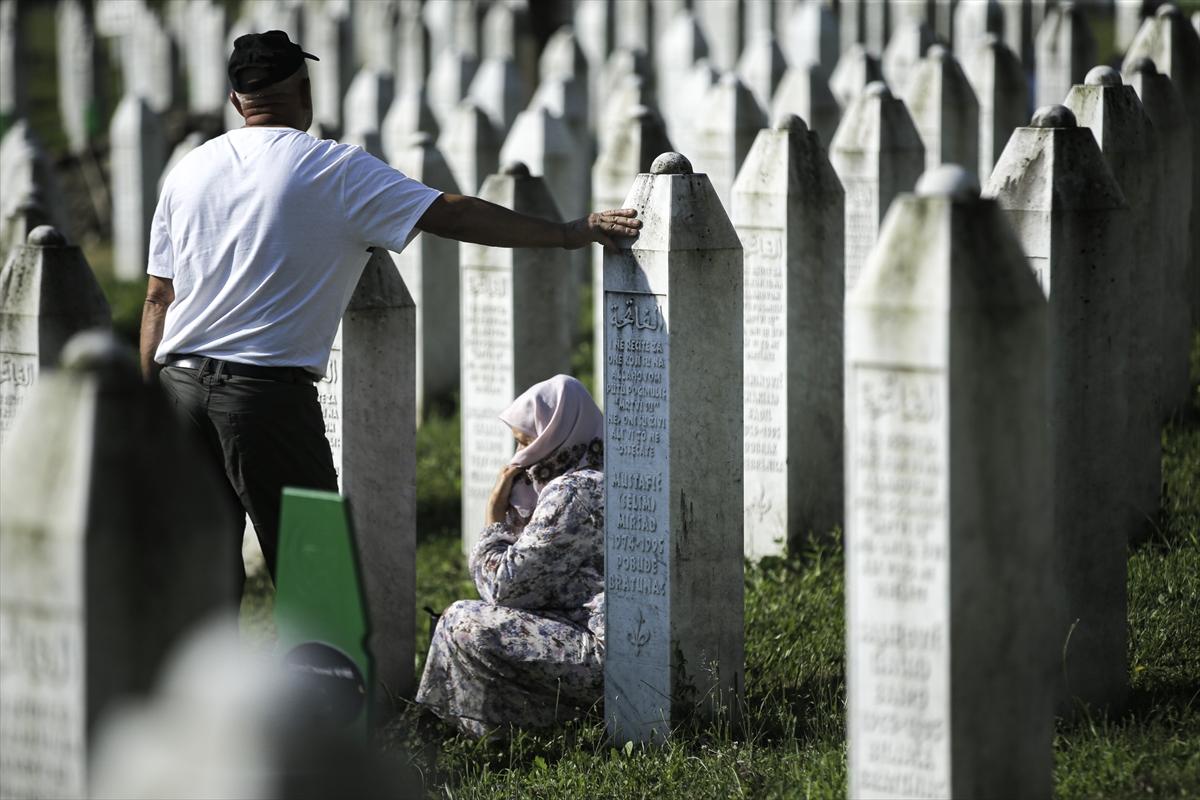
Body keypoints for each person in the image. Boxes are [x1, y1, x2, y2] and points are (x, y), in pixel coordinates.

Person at [138, 31, 639, 587]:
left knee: (199, 578)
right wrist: (569, 233)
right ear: (305, 92)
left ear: (236, 101)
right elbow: (451, 214)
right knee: (314, 576)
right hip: (263, 401)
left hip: (175, 391)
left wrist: (142, 411)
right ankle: (325, 678)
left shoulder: (186, 172)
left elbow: (160, 298)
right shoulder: (333, 169)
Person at [415, 375, 605, 737]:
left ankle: (450, 730)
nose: (520, 459)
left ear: (556, 437)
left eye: (528, 442)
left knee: (461, 620)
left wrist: (493, 519)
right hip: (610, 637)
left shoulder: (571, 494)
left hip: (599, 654)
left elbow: (505, 588)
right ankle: (465, 728)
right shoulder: (601, 470)